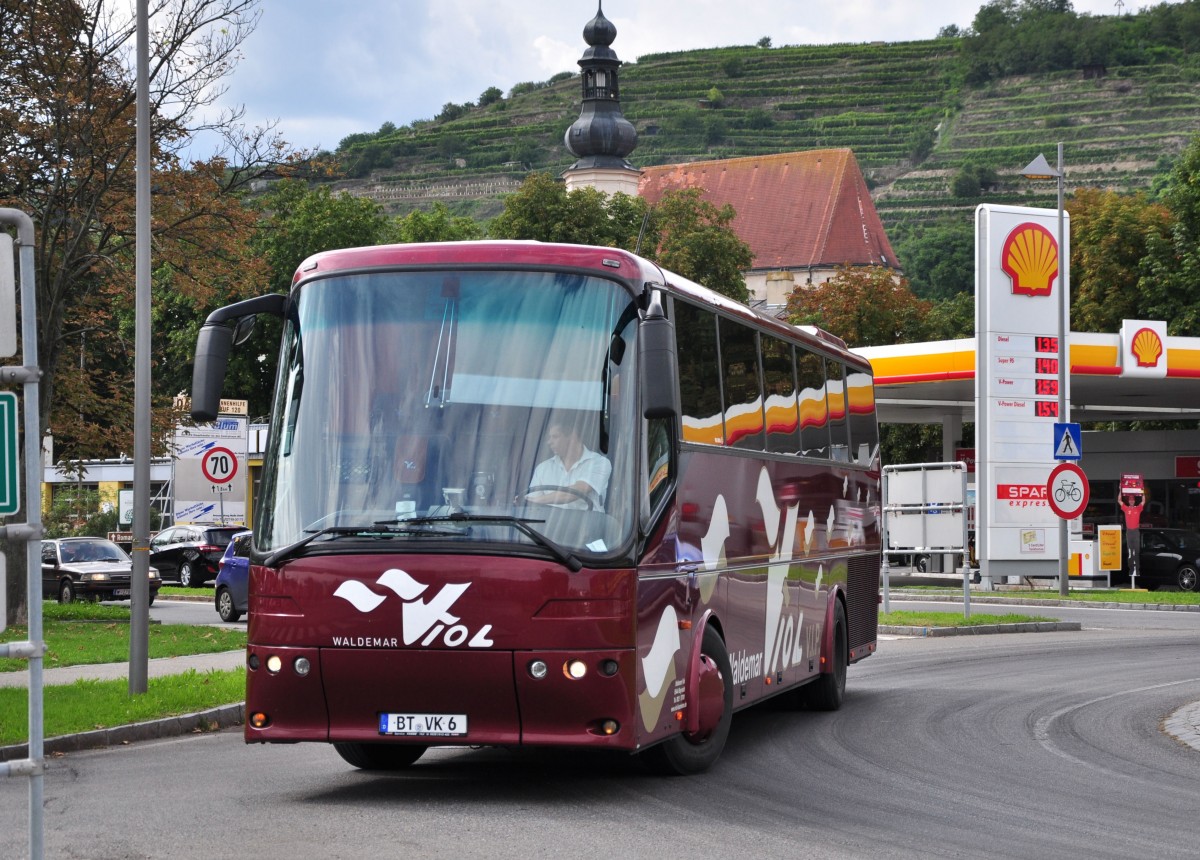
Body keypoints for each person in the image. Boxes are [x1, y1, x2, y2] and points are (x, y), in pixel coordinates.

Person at [524, 417, 611, 511]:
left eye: (555, 437)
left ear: (573, 436)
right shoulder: (543, 468)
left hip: (587, 524)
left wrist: (537, 500)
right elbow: (531, 507)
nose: (549, 442)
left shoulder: (599, 463)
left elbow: (577, 491)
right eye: (549, 437)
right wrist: (525, 501)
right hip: (549, 525)